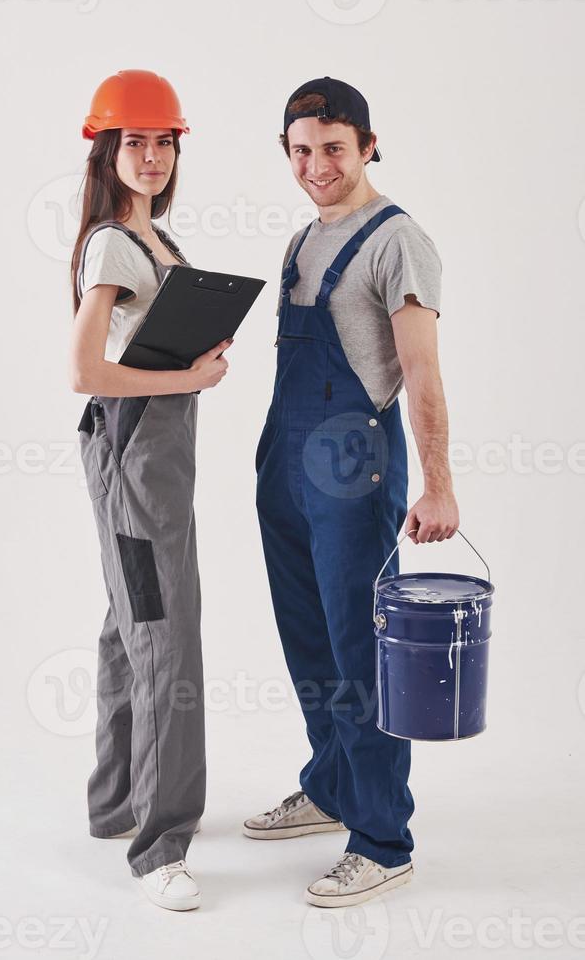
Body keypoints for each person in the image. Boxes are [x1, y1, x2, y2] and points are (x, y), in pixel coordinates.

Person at [246, 76, 459, 907]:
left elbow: (422, 373)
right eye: (301, 150)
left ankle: (381, 838)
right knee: (309, 645)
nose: (316, 165)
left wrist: (438, 485)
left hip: (353, 476)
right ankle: (332, 786)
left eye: (333, 148)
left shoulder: (398, 241)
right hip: (286, 468)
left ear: (369, 145)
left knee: (360, 655)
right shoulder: (301, 240)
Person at [69, 69, 232, 912]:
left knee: (127, 621)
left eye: (164, 141)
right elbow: (85, 370)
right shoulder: (110, 244)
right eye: (136, 141)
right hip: (136, 457)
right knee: (166, 632)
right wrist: (191, 381)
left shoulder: (157, 244)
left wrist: (195, 362)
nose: (154, 155)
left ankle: (115, 802)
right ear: (107, 149)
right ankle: (160, 843)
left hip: (154, 458)